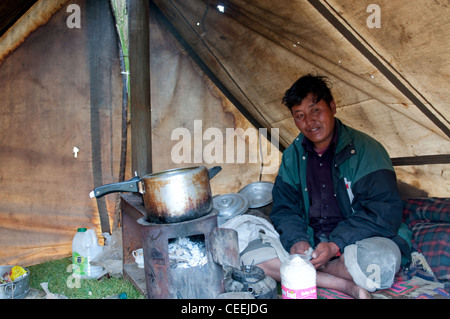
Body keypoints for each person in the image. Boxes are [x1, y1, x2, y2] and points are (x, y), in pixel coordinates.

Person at [239, 74, 411, 299]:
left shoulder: (367, 150)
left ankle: (304, 270)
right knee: (249, 260)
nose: (309, 123)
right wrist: (297, 240)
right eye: (299, 116)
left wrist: (335, 245)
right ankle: (346, 286)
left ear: (332, 107)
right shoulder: (293, 156)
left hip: (355, 243)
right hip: (311, 242)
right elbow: (285, 209)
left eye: (315, 111)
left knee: (379, 264)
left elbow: (383, 212)